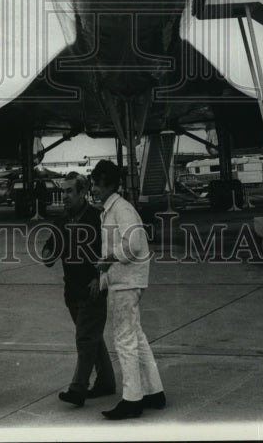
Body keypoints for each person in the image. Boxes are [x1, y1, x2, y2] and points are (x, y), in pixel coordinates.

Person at [90, 159, 165, 421]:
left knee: (124, 340)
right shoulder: (113, 209)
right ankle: (155, 391)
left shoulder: (121, 209)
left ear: (109, 184)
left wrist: (108, 259)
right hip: (126, 280)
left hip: (127, 281)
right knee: (137, 336)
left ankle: (132, 400)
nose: (94, 189)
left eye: (97, 184)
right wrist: (104, 276)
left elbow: (133, 244)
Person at [41, 173, 116, 408]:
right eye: (63, 191)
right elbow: (49, 254)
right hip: (71, 292)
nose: (64, 196)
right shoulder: (62, 221)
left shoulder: (97, 218)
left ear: (83, 193)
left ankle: (78, 389)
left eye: (69, 191)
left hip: (92, 289)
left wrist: (99, 278)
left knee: (85, 339)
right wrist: (49, 253)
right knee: (92, 338)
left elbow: (111, 251)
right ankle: (105, 382)